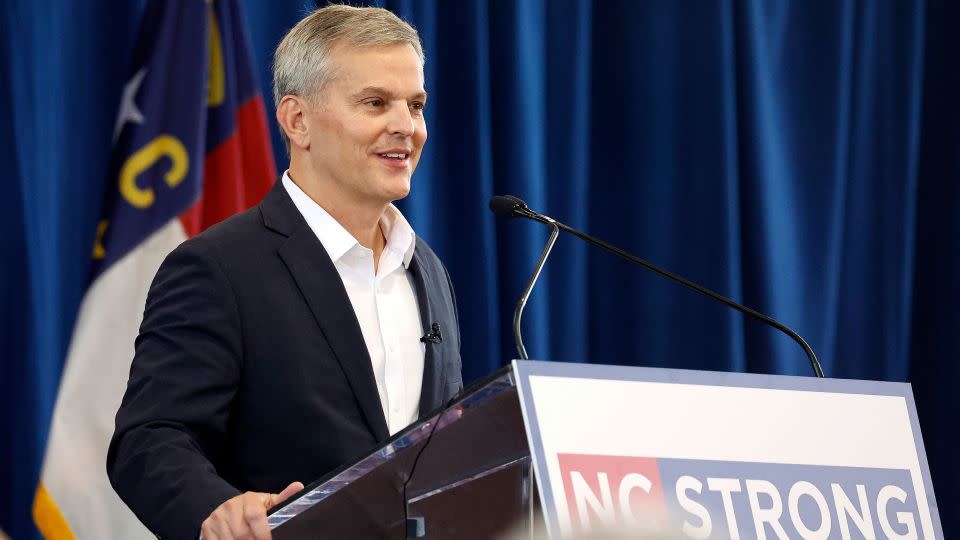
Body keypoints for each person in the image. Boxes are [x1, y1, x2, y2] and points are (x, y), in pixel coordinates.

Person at [106, 6, 463, 539]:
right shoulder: (219, 267)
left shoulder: (428, 271)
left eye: (415, 105)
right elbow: (149, 437)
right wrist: (218, 510)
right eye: (375, 103)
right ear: (297, 121)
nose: (405, 127)